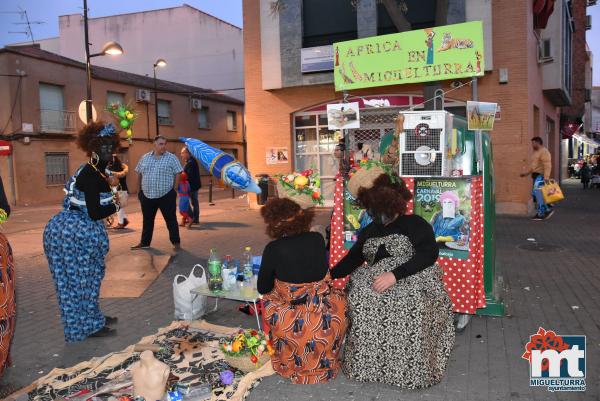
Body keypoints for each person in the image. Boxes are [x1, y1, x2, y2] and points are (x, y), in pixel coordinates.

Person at [331, 172, 454, 389]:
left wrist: (395, 275)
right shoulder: (369, 230)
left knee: (410, 300)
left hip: (411, 275)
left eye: (378, 208)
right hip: (374, 279)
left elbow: (428, 253)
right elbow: (352, 260)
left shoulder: (414, 223)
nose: (375, 214)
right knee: (359, 296)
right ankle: (367, 366)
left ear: (393, 204)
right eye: (371, 208)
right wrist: (327, 275)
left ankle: (410, 371)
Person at [43, 122, 121, 341]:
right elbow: (95, 212)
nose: (108, 152)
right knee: (77, 284)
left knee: (90, 279)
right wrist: (117, 205)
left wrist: (114, 190)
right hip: (73, 234)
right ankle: (84, 329)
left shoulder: (96, 171)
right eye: (103, 148)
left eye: (110, 147)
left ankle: (93, 319)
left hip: (74, 230)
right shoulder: (90, 174)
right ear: (92, 149)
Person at [258, 198, 347, 384]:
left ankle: (288, 354)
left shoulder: (273, 248)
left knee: (268, 297)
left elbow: (263, 287)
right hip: (327, 315)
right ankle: (324, 358)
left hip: (294, 320)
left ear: (274, 223)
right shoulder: (316, 238)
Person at [132, 136, 183, 250]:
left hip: (166, 195)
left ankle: (176, 242)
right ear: (154, 144)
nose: (163, 146)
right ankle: (145, 243)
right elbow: (139, 173)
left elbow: (178, 172)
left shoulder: (171, 158)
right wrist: (139, 191)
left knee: (170, 220)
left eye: (165, 144)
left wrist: (174, 189)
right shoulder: (145, 158)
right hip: (147, 195)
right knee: (147, 220)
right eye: (161, 144)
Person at [520, 136, 554, 220]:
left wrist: (546, 178)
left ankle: (542, 212)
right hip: (536, 176)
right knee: (536, 194)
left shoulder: (544, 152)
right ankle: (546, 209)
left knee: (537, 194)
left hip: (541, 176)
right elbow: (533, 167)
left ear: (538, 143)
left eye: (533, 143)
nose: (532, 145)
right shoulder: (536, 152)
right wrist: (526, 174)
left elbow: (547, 165)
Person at [107, 154, 129, 229]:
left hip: (118, 190)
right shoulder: (123, 168)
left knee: (118, 207)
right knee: (120, 207)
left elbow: (112, 181)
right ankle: (124, 220)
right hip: (123, 190)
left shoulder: (112, 171)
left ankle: (121, 223)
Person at [180, 146, 201, 225]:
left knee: (188, 202)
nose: (181, 155)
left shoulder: (191, 162)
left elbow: (188, 176)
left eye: (182, 153)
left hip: (191, 186)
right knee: (193, 202)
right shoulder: (189, 161)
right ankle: (193, 219)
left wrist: (182, 180)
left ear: (187, 153)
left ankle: (192, 218)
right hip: (193, 185)